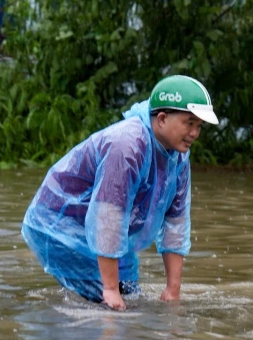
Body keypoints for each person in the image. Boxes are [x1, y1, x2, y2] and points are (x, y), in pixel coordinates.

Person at [22, 75, 218, 310]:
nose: (195, 133)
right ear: (163, 119)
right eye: (189, 123)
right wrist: (110, 290)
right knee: (107, 306)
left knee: (132, 298)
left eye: (199, 126)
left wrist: (172, 289)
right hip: (60, 226)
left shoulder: (179, 155)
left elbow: (176, 219)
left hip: (112, 235)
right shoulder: (127, 145)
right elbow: (109, 215)